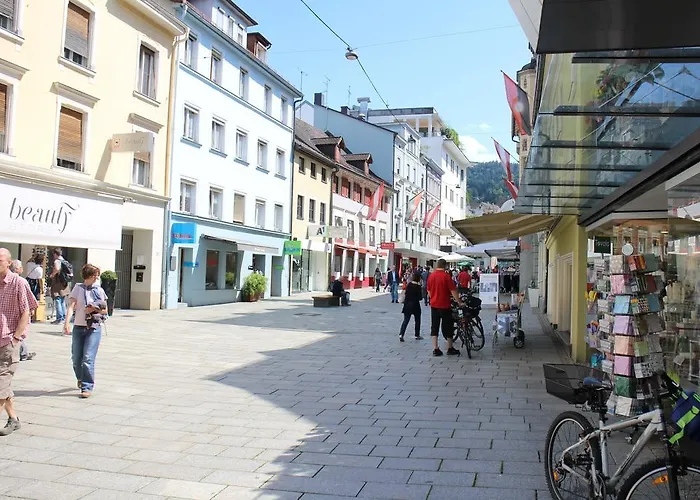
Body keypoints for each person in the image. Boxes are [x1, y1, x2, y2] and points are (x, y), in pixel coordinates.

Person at [0, 248, 38, 436]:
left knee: (1, 383)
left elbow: (27, 311)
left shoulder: (18, 283)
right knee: (4, 385)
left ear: (9, 262)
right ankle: (13, 419)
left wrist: (16, 338)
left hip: (8, 341)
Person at [63, 264, 108, 398]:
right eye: (95, 275)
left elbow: (105, 311)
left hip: (94, 328)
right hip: (79, 327)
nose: (96, 278)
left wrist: (94, 309)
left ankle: (87, 386)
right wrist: (66, 323)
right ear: (89, 276)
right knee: (76, 358)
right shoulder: (78, 288)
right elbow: (71, 306)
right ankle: (81, 378)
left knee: (88, 358)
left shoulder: (99, 290)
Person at [427, 258, 464, 357]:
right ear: (445, 266)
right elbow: (453, 291)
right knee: (448, 327)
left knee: (434, 326)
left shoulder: (431, 276)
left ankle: (436, 348)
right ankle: (449, 348)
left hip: (434, 305)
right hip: (445, 305)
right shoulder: (446, 276)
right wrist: (459, 302)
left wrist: (433, 297)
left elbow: (429, 291)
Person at [8, 261, 36, 362]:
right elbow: (28, 298)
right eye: (21, 267)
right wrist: (31, 309)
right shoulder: (21, 281)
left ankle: (23, 352)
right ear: (17, 269)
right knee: (18, 332)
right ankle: (23, 353)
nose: (22, 269)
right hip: (19, 313)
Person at [399, 271, 424, 342]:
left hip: (407, 305)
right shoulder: (418, 287)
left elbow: (406, 293)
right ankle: (417, 335)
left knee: (406, 320)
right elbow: (420, 298)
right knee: (417, 320)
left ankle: (401, 334)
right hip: (415, 305)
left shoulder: (409, 285)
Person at [49, 248, 70, 327]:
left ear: (55, 254)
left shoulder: (57, 261)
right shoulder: (64, 261)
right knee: (62, 300)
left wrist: (52, 274)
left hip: (58, 282)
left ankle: (60, 318)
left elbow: (57, 269)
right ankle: (63, 317)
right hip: (64, 282)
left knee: (57, 299)